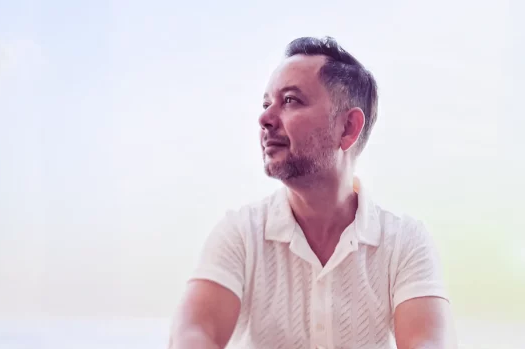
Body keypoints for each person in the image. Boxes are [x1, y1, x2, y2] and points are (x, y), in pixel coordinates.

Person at [168, 36, 456, 349]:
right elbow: (194, 333)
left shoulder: (405, 242)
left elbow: (427, 342)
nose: (264, 118)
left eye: (290, 101)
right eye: (266, 104)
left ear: (347, 128)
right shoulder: (241, 234)